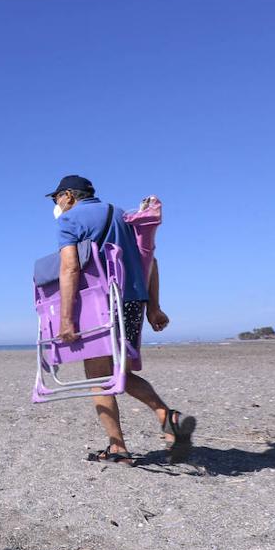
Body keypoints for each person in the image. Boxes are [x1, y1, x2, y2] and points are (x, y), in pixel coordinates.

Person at [48, 175, 194, 464]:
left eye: (56, 199)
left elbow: (69, 268)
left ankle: (118, 448)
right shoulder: (123, 216)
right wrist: (154, 307)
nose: (57, 205)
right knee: (118, 373)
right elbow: (149, 260)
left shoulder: (69, 221)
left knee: (100, 377)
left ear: (68, 196)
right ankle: (168, 417)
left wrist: (66, 319)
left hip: (100, 303)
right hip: (132, 303)